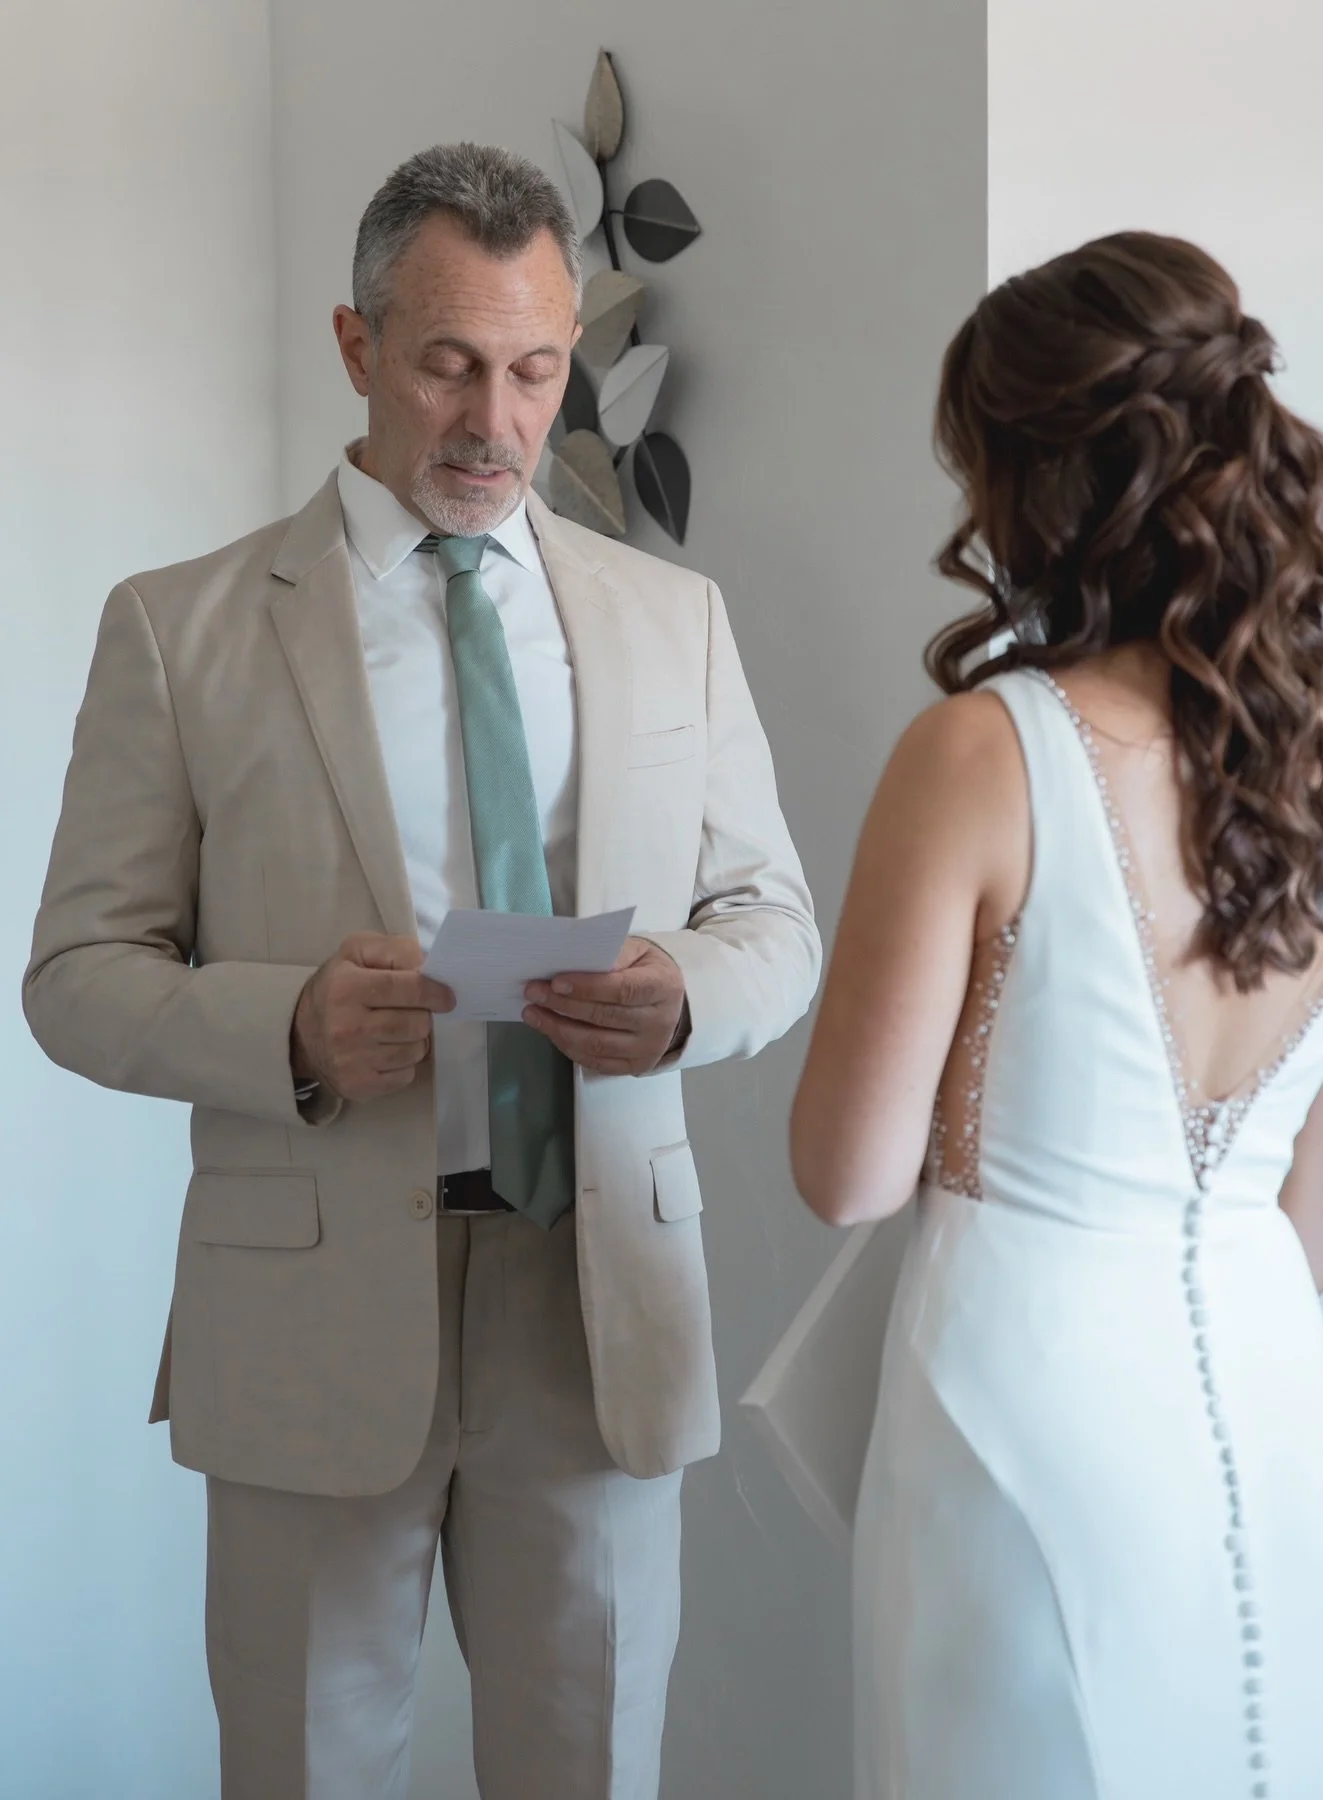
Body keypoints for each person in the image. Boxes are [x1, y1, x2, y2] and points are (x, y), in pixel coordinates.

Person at [24, 141, 819, 1800]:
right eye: (452, 362)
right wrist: (291, 1026)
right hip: (311, 1307)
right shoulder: (181, 627)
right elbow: (76, 974)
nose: (496, 419)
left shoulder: (675, 619)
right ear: (355, 343)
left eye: (537, 369)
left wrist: (683, 997)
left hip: (597, 1307)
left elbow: (775, 925)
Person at [789, 232, 1323, 1800]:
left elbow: (848, 1175)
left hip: (1015, 1403)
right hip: (1271, 1406)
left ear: (1033, 480)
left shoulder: (979, 755)